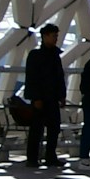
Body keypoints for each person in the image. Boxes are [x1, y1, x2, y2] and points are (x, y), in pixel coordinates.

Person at [20, 23, 66, 169]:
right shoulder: (36, 56)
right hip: (41, 98)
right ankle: (33, 158)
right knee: (37, 129)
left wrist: (62, 95)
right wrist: (36, 98)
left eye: (56, 36)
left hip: (52, 97)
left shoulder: (54, 56)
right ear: (45, 36)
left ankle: (49, 156)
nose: (56, 39)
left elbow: (60, 77)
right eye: (54, 36)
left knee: (54, 128)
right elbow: (32, 78)